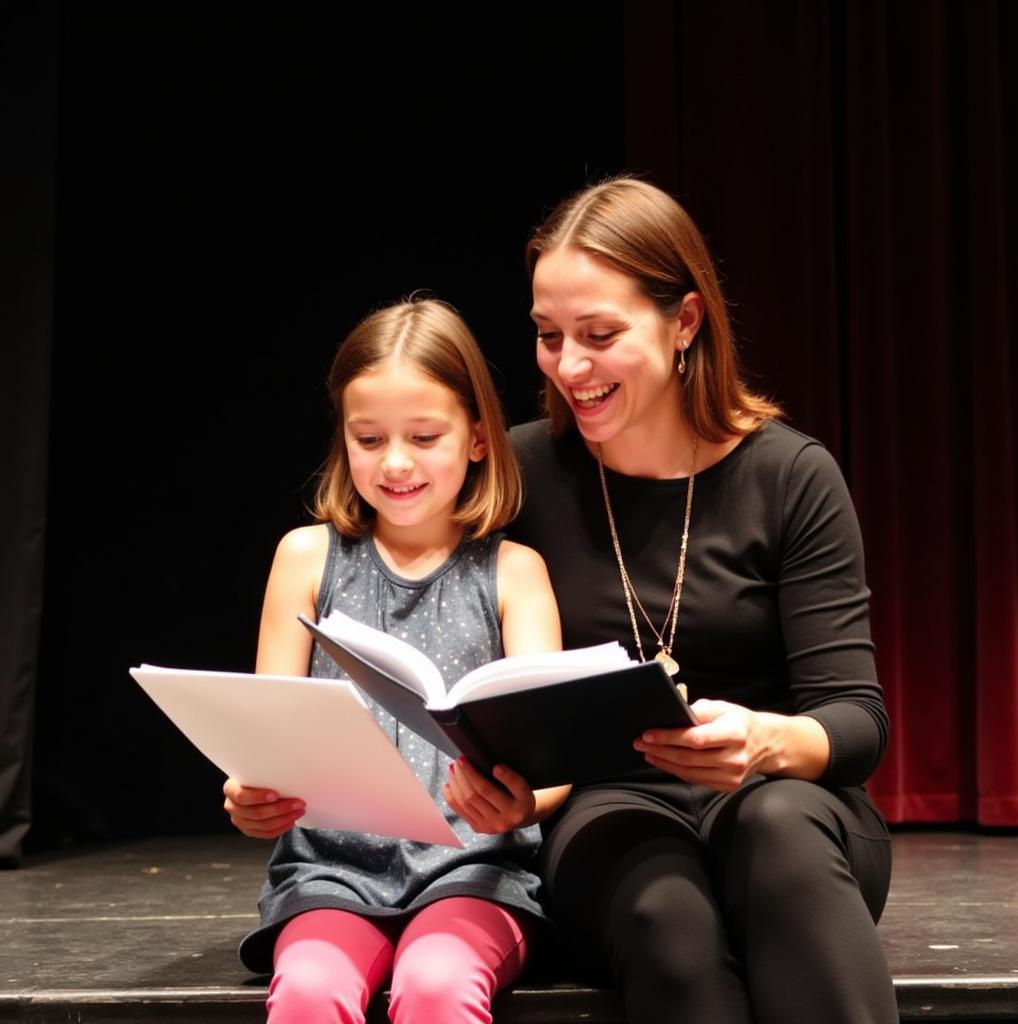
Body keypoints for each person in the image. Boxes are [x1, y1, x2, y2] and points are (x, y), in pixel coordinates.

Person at [504, 177, 899, 1023]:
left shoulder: (789, 475)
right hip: (607, 803)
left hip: (787, 800)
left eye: (600, 335)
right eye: (548, 336)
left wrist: (763, 740)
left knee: (779, 836)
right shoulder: (521, 473)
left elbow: (857, 720)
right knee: (664, 915)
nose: (569, 366)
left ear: (684, 322)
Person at [222, 298, 570, 1024]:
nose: (397, 461)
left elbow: (554, 761)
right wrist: (251, 795)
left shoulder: (514, 573)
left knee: (438, 984)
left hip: (474, 873)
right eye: (370, 438)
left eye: (424, 435)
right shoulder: (307, 559)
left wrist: (521, 801)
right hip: (332, 873)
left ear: (477, 439)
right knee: (312, 990)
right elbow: (263, 736)